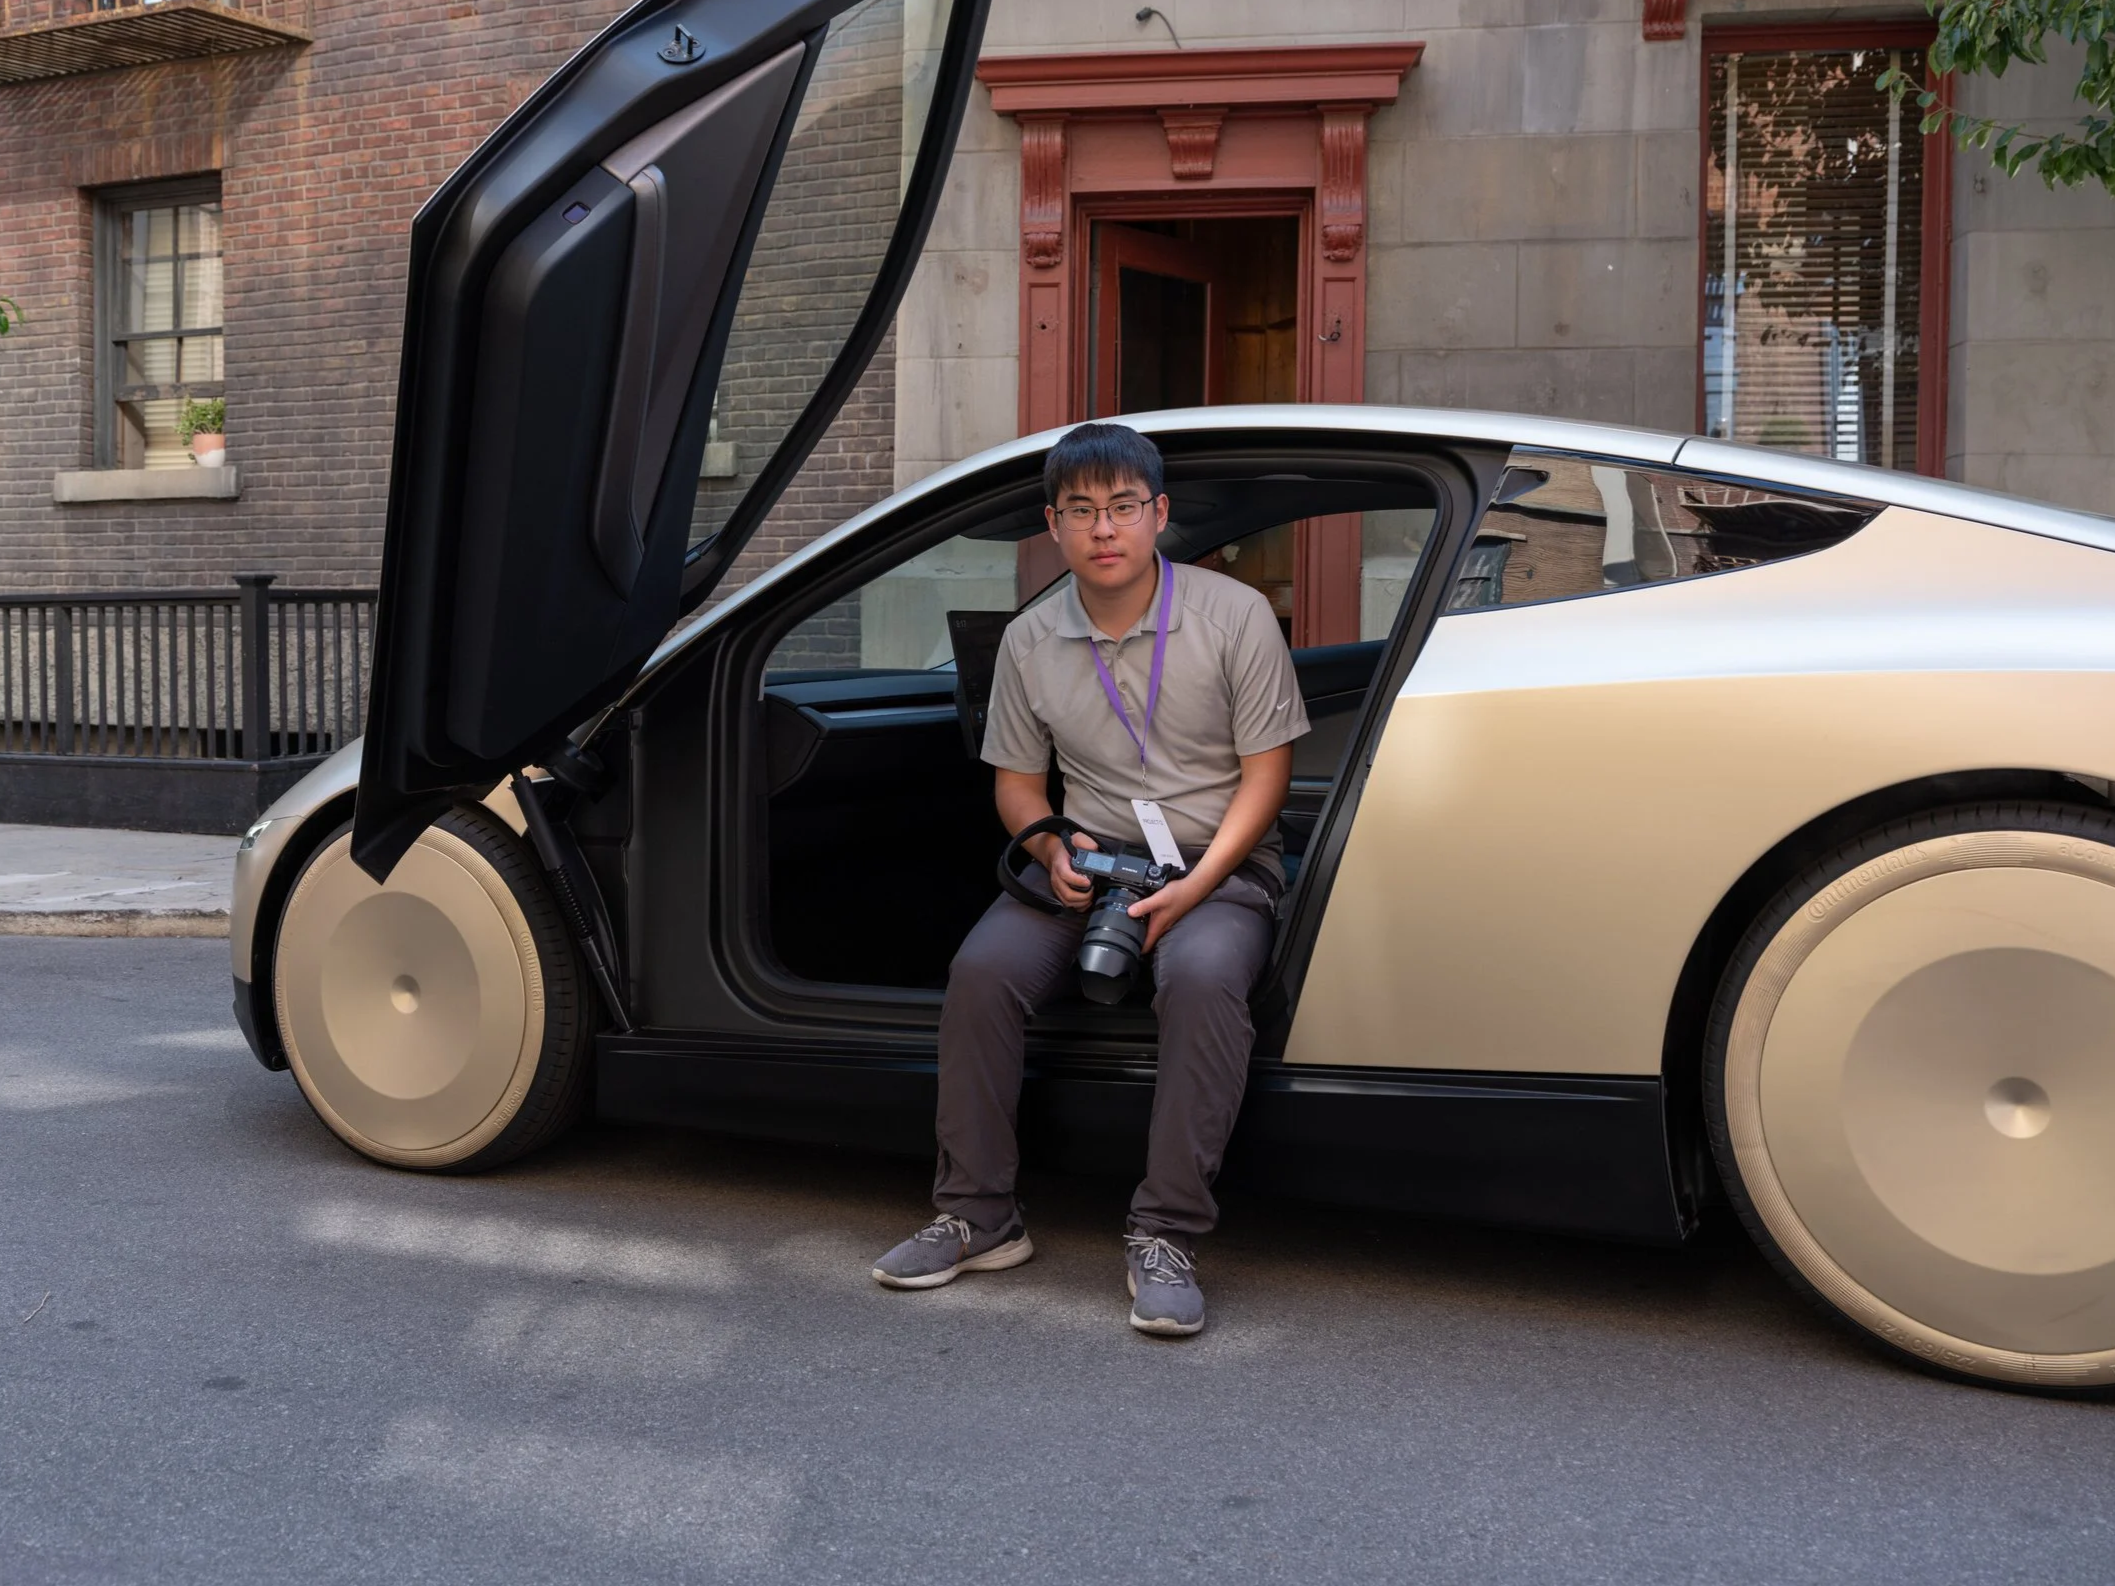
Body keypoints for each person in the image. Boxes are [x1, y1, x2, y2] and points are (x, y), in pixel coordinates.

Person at [871, 422, 1309, 1336]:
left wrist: (1196, 885)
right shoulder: (1030, 638)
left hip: (1218, 862)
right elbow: (1016, 785)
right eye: (1080, 511)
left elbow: (1267, 778)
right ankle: (978, 1216)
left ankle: (1165, 1233)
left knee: (1200, 977)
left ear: (1158, 514)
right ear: (1053, 525)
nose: (1102, 528)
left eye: (1121, 507)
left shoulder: (1233, 615)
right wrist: (1048, 851)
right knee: (980, 973)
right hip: (1092, 861)